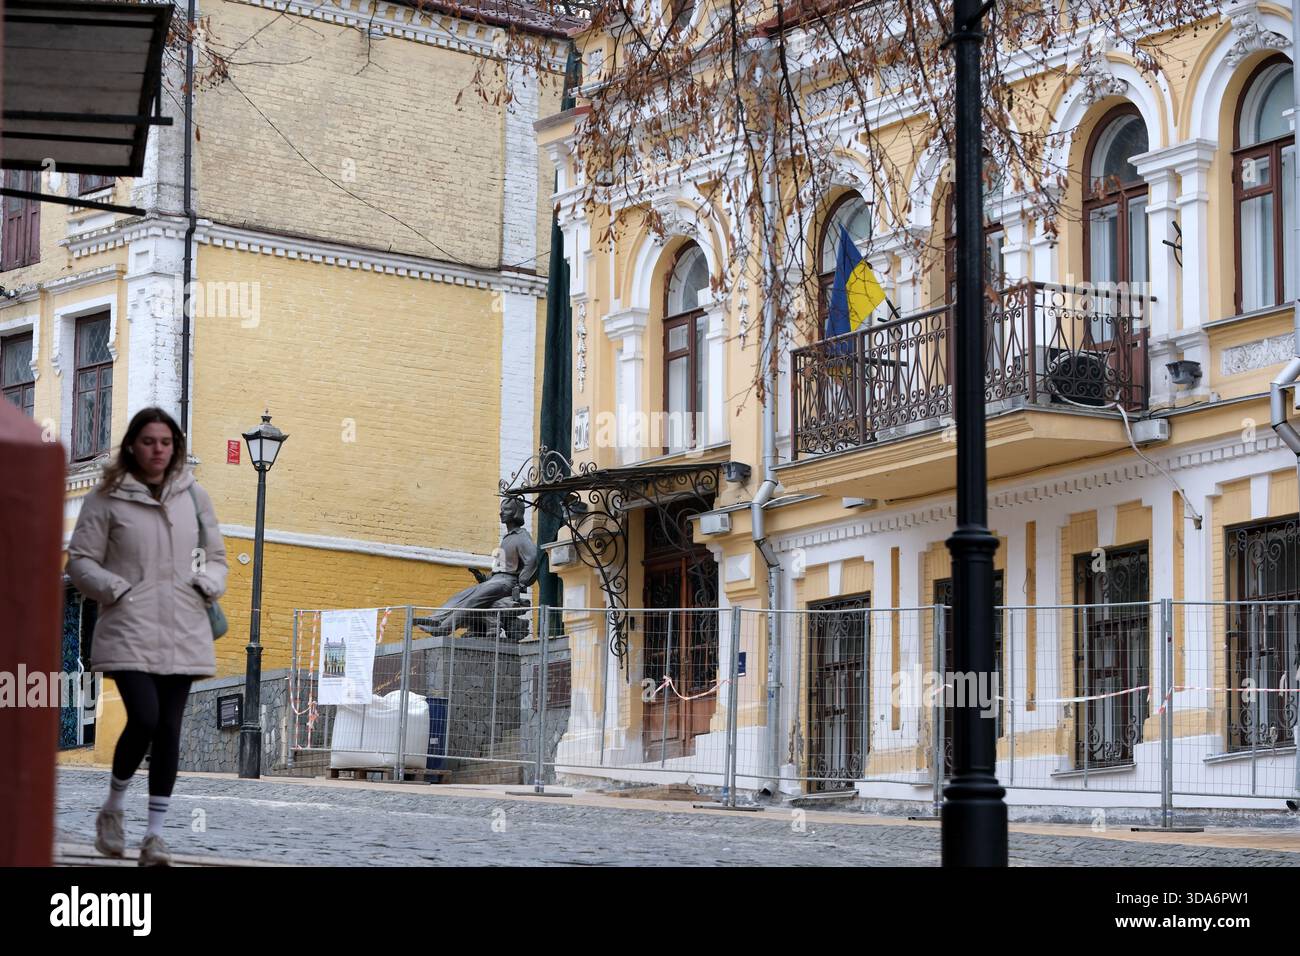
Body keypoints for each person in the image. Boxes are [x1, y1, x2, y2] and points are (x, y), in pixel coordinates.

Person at [67, 406, 228, 866]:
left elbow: (216, 557)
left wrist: (210, 582)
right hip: (128, 626)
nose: (158, 450)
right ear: (132, 446)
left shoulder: (194, 497)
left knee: (170, 729)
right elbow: (80, 560)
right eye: (149, 442)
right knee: (145, 717)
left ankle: (154, 837)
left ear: (175, 447)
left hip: (184, 626)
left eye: (166, 442)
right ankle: (114, 809)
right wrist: (114, 588)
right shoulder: (107, 498)